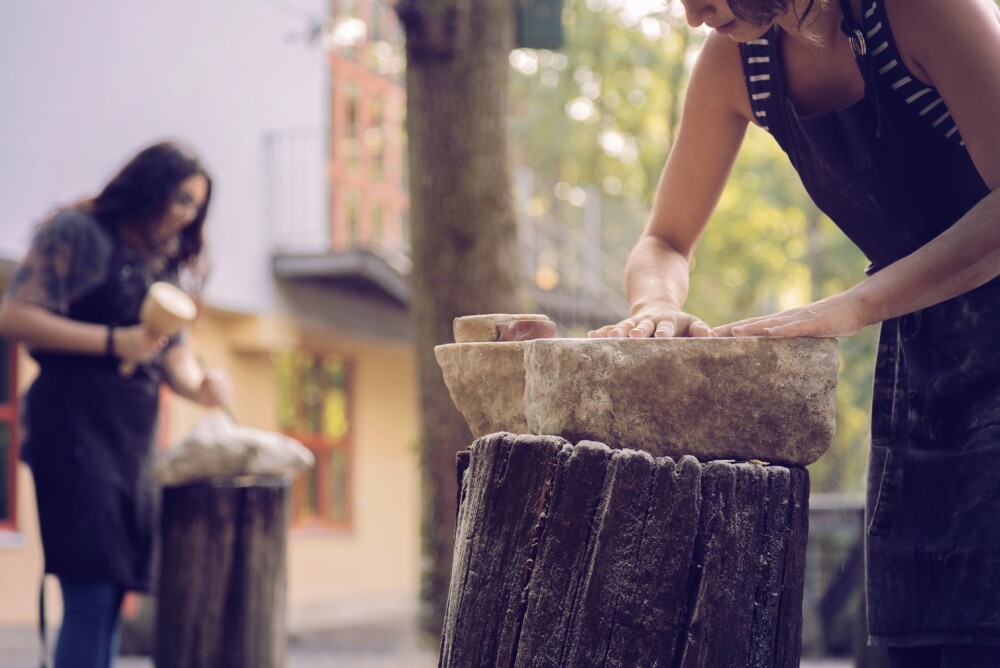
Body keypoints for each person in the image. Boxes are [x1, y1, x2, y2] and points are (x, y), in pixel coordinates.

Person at [588, 0, 1000, 665]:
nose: (694, 16)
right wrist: (654, 309)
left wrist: (854, 306)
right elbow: (663, 239)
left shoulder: (924, 12)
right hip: (922, 368)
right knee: (917, 643)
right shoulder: (734, 62)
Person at [0, 141, 232, 668]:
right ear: (147, 185)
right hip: (73, 433)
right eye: (180, 199)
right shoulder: (79, 234)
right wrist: (113, 341)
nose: (186, 215)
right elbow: (14, 316)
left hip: (131, 446)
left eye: (196, 206)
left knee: (111, 599)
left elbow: (179, 362)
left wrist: (203, 387)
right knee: (91, 593)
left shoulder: (162, 268)